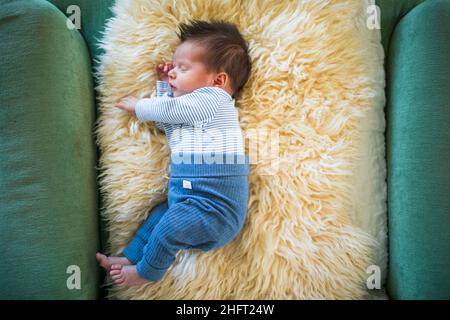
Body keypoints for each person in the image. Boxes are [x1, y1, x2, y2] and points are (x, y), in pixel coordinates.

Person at [96, 19, 252, 287]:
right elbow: (169, 121)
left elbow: (169, 112)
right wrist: (165, 88)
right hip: (190, 201)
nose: (173, 72)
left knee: (168, 229)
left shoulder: (215, 100)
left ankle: (147, 273)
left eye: (183, 67)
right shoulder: (195, 110)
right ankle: (132, 257)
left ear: (218, 80)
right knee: (160, 217)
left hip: (212, 210)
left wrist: (140, 106)